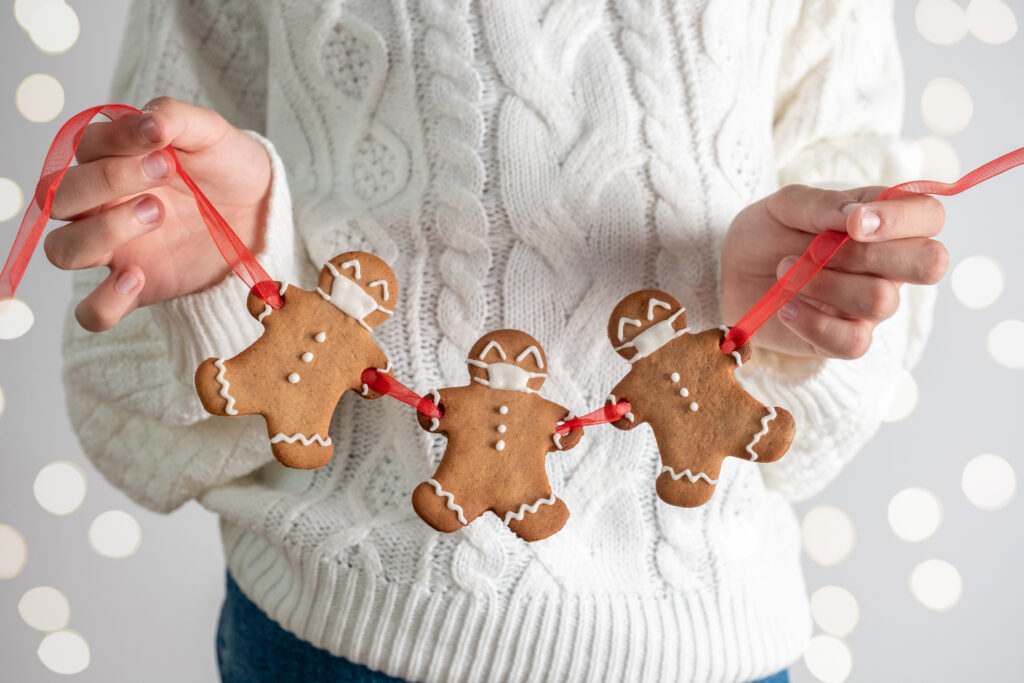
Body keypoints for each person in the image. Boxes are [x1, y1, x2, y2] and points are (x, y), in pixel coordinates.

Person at [49, 0, 947, 681]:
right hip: (337, 637)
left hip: (722, 643)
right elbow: (125, 410)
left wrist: (799, 302)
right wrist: (234, 283)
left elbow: (858, 332)